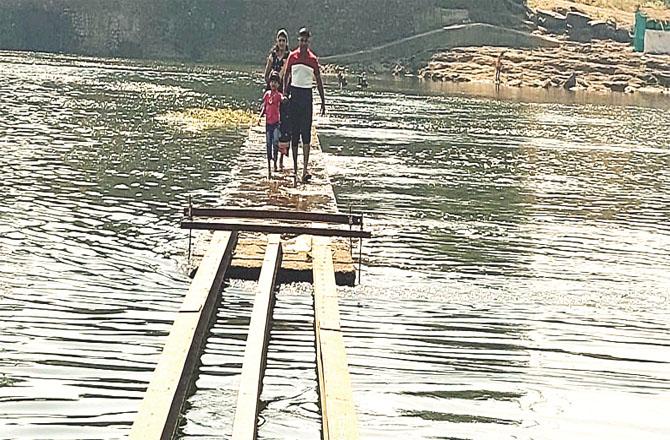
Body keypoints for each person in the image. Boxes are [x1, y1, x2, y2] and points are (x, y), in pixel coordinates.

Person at [283, 27, 326, 185]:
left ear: (309, 41)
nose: (303, 43)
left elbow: (319, 81)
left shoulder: (313, 59)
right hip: (294, 95)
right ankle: (294, 168)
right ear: (298, 40)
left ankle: (305, 169)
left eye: (306, 40)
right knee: (295, 134)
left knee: (306, 134)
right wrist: (284, 93)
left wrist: (323, 100)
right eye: (301, 40)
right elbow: (287, 75)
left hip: (307, 97)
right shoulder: (292, 57)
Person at [258, 72, 283, 178]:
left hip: (276, 123)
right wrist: (260, 117)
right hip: (268, 123)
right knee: (268, 143)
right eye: (272, 82)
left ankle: (275, 163)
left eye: (276, 82)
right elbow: (264, 107)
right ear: (269, 83)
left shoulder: (279, 95)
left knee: (275, 142)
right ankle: (269, 164)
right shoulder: (267, 94)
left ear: (278, 85)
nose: (273, 84)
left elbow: (282, 100)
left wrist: (285, 100)